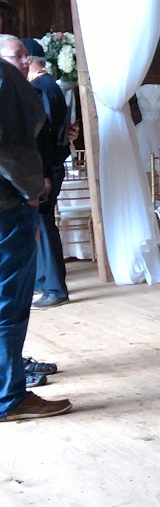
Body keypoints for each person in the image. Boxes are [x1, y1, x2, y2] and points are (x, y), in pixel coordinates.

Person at [0, 51, 70, 420]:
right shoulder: (2, 77)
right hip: (5, 208)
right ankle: (8, 398)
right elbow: (10, 146)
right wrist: (30, 191)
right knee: (7, 305)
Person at [23, 38, 70, 307]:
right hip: (46, 166)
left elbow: (43, 135)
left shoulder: (42, 87)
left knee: (44, 223)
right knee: (38, 223)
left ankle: (55, 288)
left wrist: (42, 174)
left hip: (46, 167)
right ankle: (43, 281)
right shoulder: (46, 85)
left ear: (27, 60)